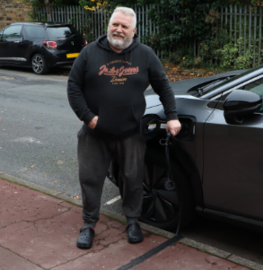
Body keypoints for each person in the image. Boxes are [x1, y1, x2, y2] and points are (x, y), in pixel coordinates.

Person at [67, 6, 181, 249]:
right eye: (115, 24)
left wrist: (172, 116)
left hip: (130, 132)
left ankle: (132, 221)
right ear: (108, 25)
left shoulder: (145, 55)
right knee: (90, 179)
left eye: (124, 26)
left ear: (133, 30)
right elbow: (73, 87)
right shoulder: (89, 53)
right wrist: (88, 117)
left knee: (132, 178)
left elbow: (164, 86)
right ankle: (89, 224)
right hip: (94, 133)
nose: (118, 29)